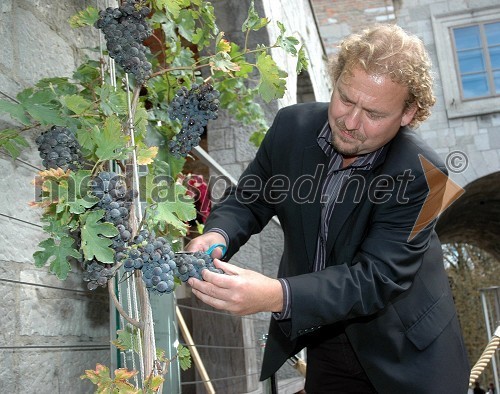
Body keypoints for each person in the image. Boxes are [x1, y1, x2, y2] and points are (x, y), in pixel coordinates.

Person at [186, 23, 470, 393]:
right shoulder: (291, 126)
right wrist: (216, 233)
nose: (351, 122)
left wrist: (276, 294)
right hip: (324, 339)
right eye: (346, 99)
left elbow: (378, 278)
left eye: (374, 113)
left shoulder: (429, 175)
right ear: (334, 80)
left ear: (408, 113)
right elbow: (250, 196)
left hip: (408, 354)